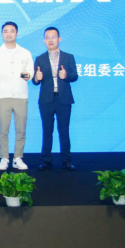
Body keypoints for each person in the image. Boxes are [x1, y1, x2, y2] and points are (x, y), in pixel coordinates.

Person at [0, 22, 34, 171]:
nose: (9, 34)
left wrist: (28, 75)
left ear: (17, 33)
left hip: (20, 95)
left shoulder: (25, 53)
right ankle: (4, 158)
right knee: (3, 129)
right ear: (2, 34)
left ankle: (18, 158)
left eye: (12, 31)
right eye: (5, 31)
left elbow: (31, 71)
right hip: (3, 95)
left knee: (21, 129)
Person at [32, 27, 78, 171]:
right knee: (47, 131)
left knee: (64, 130)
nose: (50, 40)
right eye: (47, 37)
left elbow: (75, 75)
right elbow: (35, 80)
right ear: (44, 40)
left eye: (53, 37)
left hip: (64, 100)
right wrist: (37, 78)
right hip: (46, 100)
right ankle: (46, 160)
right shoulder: (40, 58)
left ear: (59, 39)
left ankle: (66, 160)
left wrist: (67, 75)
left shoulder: (68, 57)